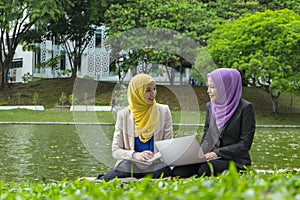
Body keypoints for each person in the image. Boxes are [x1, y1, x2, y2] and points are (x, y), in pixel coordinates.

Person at [171, 68, 256, 177]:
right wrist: (198, 154)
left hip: (235, 162)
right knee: (180, 171)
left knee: (205, 168)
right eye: (208, 87)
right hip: (211, 157)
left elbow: (244, 144)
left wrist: (217, 153)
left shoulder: (245, 108)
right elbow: (207, 137)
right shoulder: (210, 107)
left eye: (212, 87)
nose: (208, 91)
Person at [96, 73, 173, 181]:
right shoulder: (123, 115)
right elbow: (116, 150)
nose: (153, 94)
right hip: (131, 163)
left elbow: (168, 147)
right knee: (124, 168)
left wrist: (155, 156)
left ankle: (141, 179)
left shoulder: (164, 111)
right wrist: (135, 155)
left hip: (155, 165)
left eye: (154, 89)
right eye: (148, 90)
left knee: (162, 170)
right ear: (137, 93)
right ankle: (101, 179)